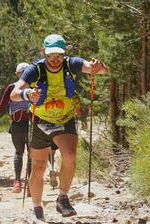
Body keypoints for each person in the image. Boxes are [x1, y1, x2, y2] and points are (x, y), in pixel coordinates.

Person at [10, 34, 108, 222]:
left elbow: (99, 70)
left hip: (65, 118)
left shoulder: (71, 64)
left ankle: (63, 198)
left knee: (70, 155)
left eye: (59, 56)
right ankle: (38, 209)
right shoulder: (35, 69)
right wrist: (27, 94)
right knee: (38, 167)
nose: (55, 60)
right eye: (51, 56)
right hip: (40, 120)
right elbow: (14, 93)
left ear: (64, 55)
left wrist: (98, 66)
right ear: (44, 54)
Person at [0, 62, 31, 194]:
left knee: (18, 152)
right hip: (33, 126)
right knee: (32, 155)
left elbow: (0, 109)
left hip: (17, 126)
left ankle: (17, 182)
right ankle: (30, 184)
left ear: (17, 74)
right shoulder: (35, 86)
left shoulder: (11, 87)